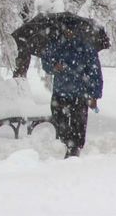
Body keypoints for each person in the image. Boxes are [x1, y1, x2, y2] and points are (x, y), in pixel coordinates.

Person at [41, 27, 103, 158]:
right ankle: (67, 143)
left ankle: (74, 149)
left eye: (71, 29)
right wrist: (53, 66)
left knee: (78, 124)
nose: (69, 32)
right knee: (59, 119)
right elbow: (46, 61)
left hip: (80, 93)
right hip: (60, 92)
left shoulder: (86, 47)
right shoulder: (56, 44)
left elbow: (95, 72)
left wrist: (94, 95)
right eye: (66, 29)